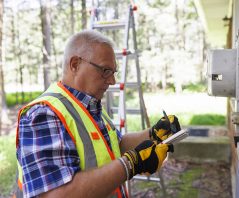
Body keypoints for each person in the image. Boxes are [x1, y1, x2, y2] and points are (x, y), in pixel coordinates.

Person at [15, 30, 181, 198]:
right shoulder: (44, 113)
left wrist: (152, 134)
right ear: (75, 64)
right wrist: (131, 164)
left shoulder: (88, 105)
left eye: (113, 72)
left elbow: (115, 146)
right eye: (105, 70)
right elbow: (56, 194)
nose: (112, 81)